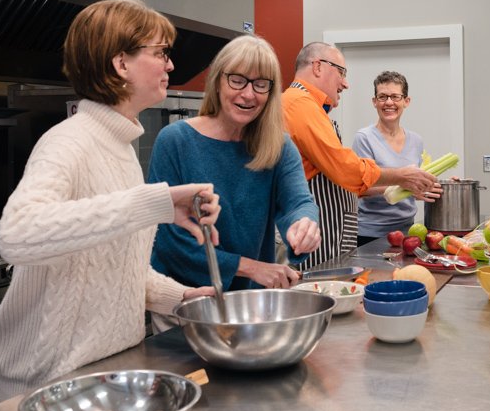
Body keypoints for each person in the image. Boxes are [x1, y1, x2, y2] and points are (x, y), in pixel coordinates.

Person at [0, 0, 221, 401]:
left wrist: (179, 297)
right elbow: (16, 236)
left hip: (105, 375)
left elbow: (113, 267)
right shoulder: (68, 141)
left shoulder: (123, 149)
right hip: (48, 385)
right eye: (161, 52)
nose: (170, 65)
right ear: (121, 63)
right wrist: (149, 203)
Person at [147, 35, 321, 323]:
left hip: (251, 305)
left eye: (261, 84)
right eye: (237, 80)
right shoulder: (175, 141)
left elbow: (298, 202)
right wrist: (251, 267)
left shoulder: (279, 146)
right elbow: (170, 241)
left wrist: (304, 225)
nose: (249, 94)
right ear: (218, 81)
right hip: (185, 304)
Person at [282, 42, 437, 269]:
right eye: (341, 72)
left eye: (396, 97)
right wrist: (401, 177)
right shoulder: (300, 104)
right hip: (313, 232)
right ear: (317, 67)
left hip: (325, 232)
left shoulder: (308, 106)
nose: (345, 83)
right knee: (314, 285)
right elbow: (345, 169)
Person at [352, 71, 441, 246]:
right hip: (370, 233)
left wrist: (438, 185)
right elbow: (359, 187)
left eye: (395, 97)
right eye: (382, 97)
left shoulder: (416, 140)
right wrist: (403, 184)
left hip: (408, 230)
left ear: (406, 101)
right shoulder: (364, 138)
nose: (389, 102)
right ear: (374, 102)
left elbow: (414, 187)